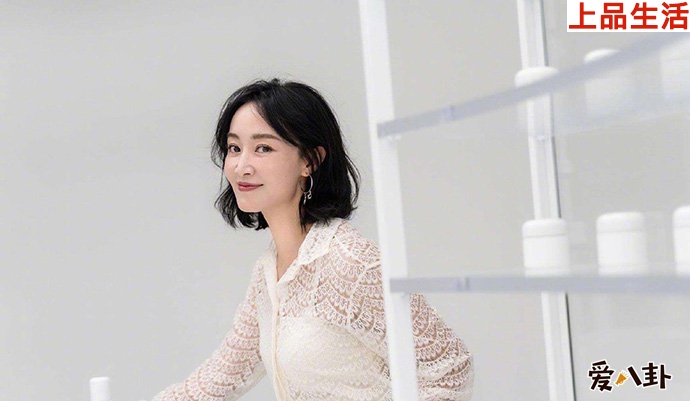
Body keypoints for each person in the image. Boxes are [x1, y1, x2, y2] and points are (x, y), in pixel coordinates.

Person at [151, 78, 474, 401]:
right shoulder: (268, 273)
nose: (241, 166)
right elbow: (215, 381)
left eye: (263, 148)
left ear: (310, 161)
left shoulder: (350, 263)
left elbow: (451, 368)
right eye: (235, 148)